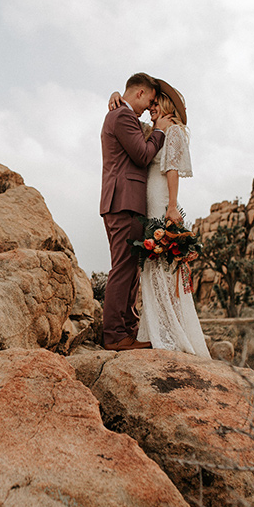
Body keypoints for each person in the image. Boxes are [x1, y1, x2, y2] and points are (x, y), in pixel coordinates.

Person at [108, 79, 210, 358]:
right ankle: (151, 329)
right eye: (149, 102)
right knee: (145, 265)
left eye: (155, 104)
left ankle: (169, 328)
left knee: (160, 264)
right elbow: (128, 125)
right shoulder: (152, 129)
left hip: (161, 201)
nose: (150, 108)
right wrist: (117, 95)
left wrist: (173, 206)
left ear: (166, 105)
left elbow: (172, 170)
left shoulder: (171, 131)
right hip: (144, 201)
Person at [100, 72, 173, 351]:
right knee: (123, 268)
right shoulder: (122, 117)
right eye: (149, 100)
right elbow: (142, 154)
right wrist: (160, 132)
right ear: (140, 93)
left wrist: (115, 96)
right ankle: (114, 335)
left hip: (124, 202)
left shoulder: (122, 114)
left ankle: (126, 329)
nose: (148, 108)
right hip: (124, 202)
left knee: (130, 269)